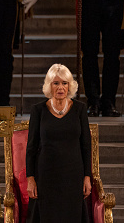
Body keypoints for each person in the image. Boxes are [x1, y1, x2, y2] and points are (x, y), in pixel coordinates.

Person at [26, 63, 92, 222]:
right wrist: (30, 178)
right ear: (49, 86)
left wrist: (87, 177)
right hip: (46, 176)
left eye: (64, 83)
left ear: (70, 86)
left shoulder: (80, 109)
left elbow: (86, 145)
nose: (60, 87)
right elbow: (31, 147)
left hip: (73, 175)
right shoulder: (38, 110)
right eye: (56, 83)